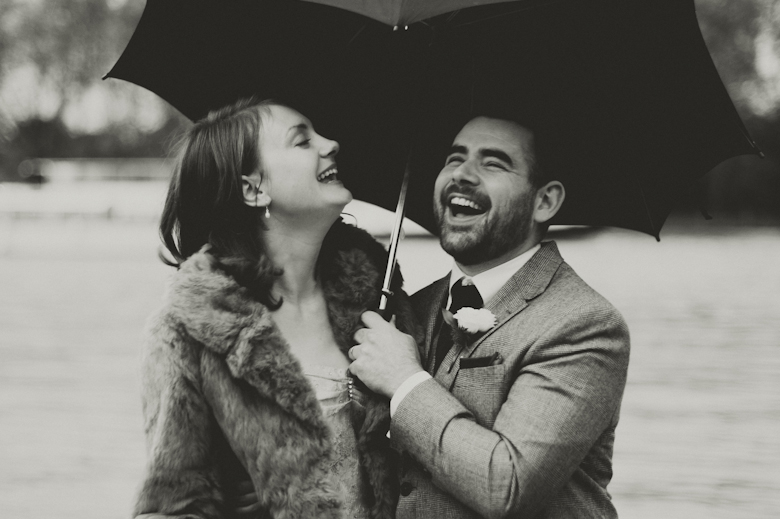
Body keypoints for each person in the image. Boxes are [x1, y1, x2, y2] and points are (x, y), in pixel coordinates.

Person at [133, 97, 420, 519]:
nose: (332, 143)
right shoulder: (187, 331)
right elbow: (173, 506)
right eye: (303, 142)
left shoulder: (379, 299)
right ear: (253, 189)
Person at [348, 115, 631, 518]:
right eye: (454, 158)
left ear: (545, 201)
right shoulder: (407, 310)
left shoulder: (585, 324)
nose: (462, 174)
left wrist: (403, 381)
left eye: (493, 163)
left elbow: (507, 486)